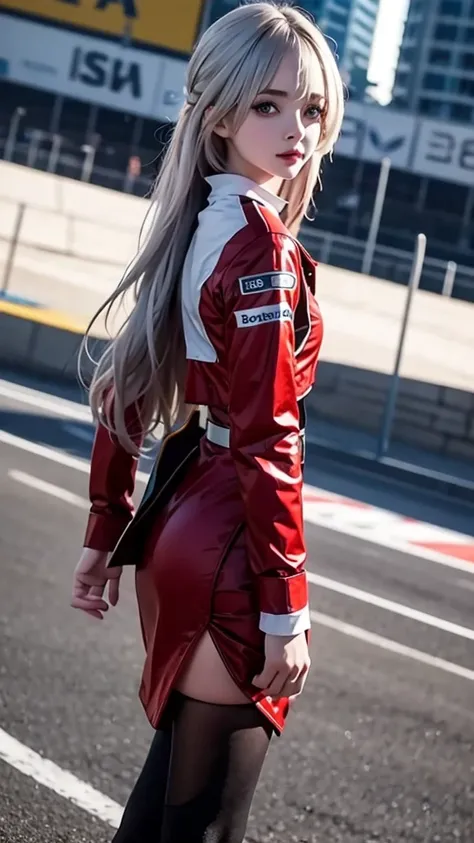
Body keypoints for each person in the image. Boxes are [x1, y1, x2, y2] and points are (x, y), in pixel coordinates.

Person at [71, 3, 344, 840]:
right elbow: (270, 437)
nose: (293, 128)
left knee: (161, 817)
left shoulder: (202, 221)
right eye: (267, 105)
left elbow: (126, 384)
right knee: (201, 831)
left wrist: (105, 522)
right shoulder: (257, 245)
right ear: (219, 114)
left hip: (186, 528)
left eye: (308, 108)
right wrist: (286, 608)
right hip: (232, 550)